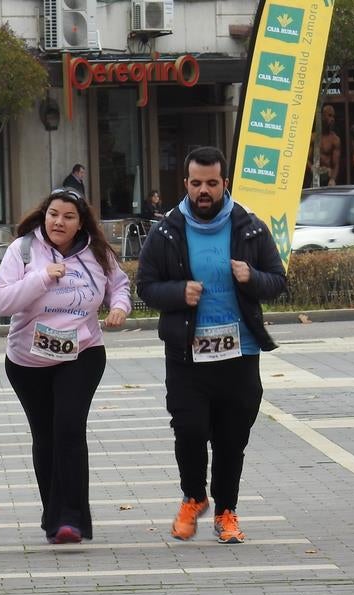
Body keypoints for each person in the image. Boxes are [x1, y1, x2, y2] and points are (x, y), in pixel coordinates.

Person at [135, 146, 287, 545]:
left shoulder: (249, 228)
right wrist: (176, 292)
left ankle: (226, 511)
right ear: (185, 184)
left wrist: (251, 277)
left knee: (231, 436)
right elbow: (145, 287)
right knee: (189, 429)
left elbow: (278, 280)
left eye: (212, 183)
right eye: (197, 183)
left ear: (225, 184)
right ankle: (194, 497)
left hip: (239, 353)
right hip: (187, 354)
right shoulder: (167, 230)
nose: (204, 190)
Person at [0, 186, 131, 545]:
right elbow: (1, 302)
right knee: (46, 435)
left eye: (69, 216)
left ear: (80, 222)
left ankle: (72, 519)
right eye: (54, 214)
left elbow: (120, 284)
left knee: (68, 427)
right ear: (44, 215)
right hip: (28, 360)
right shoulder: (22, 250)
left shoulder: (96, 252)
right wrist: (41, 277)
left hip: (82, 353)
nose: (59, 221)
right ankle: (54, 514)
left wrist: (119, 307)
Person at [319, 103, 343, 186]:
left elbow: (336, 164)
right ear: (322, 116)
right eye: (329, 116)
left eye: (333, 116)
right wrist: (312, 168)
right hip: (314, 178)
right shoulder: (313, 138)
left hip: (328, 179)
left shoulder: (335, 140)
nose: (332, 119)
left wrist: (333, 179)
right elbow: (305, 159)